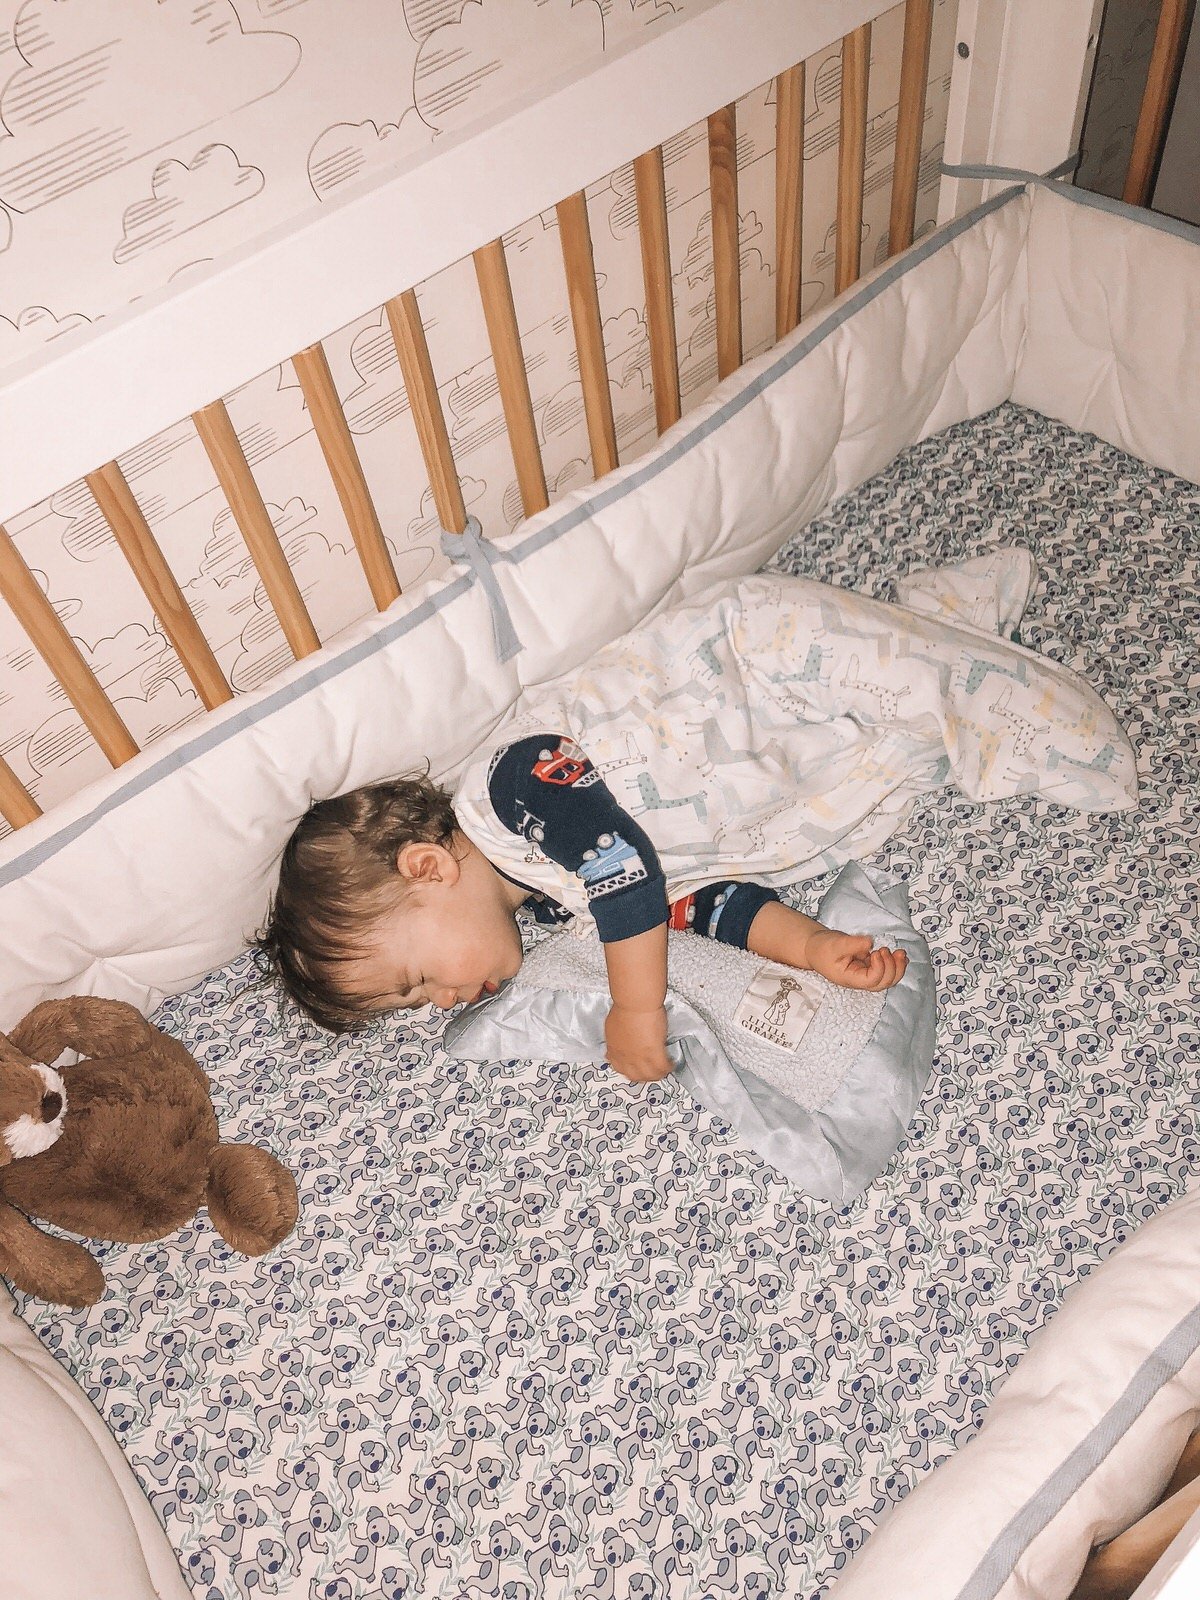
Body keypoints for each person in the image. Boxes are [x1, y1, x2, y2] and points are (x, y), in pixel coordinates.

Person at [258, 730, 907, 1083]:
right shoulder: (551, 904)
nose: (444, 1001)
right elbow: (698, 905)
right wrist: (809, 946)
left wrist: (636, 1006)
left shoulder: (510, 790)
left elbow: (628, 875)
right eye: (422, 1002)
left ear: (428, 868)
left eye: (420, 979)